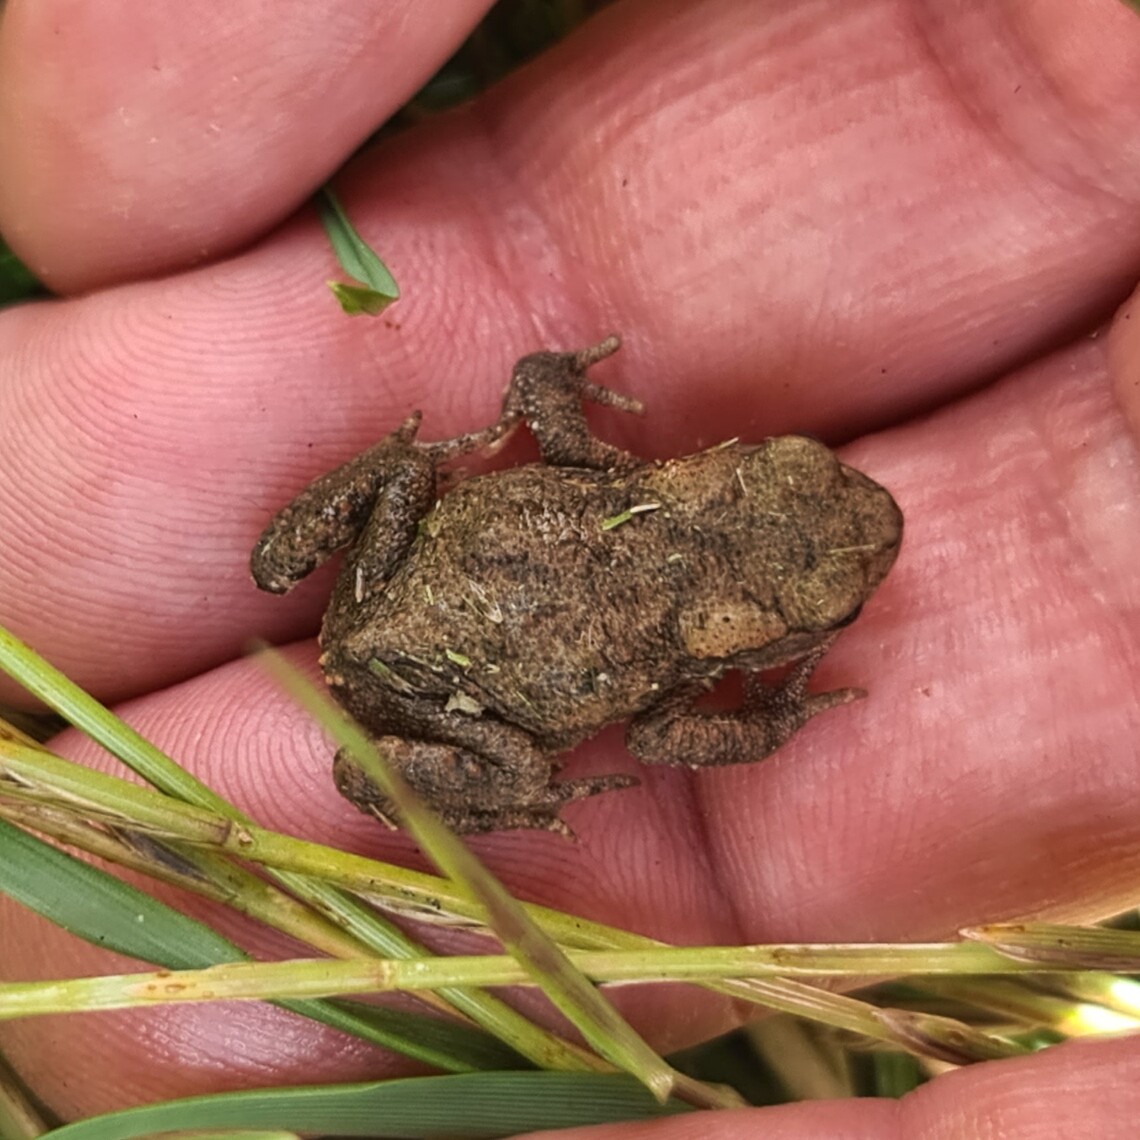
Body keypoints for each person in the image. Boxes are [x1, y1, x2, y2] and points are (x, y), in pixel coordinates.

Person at [2, 0, 1140, 1132]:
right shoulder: (637, 562)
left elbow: (539, 387)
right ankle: (508, 762)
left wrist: (515, 409)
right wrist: (776, 719)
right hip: (431, 691)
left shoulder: (603, 479)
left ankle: (415, 513)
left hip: (404, 586)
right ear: (714, 483)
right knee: (458, 759)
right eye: (818, 612)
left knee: (399, 486)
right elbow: (656, 733)